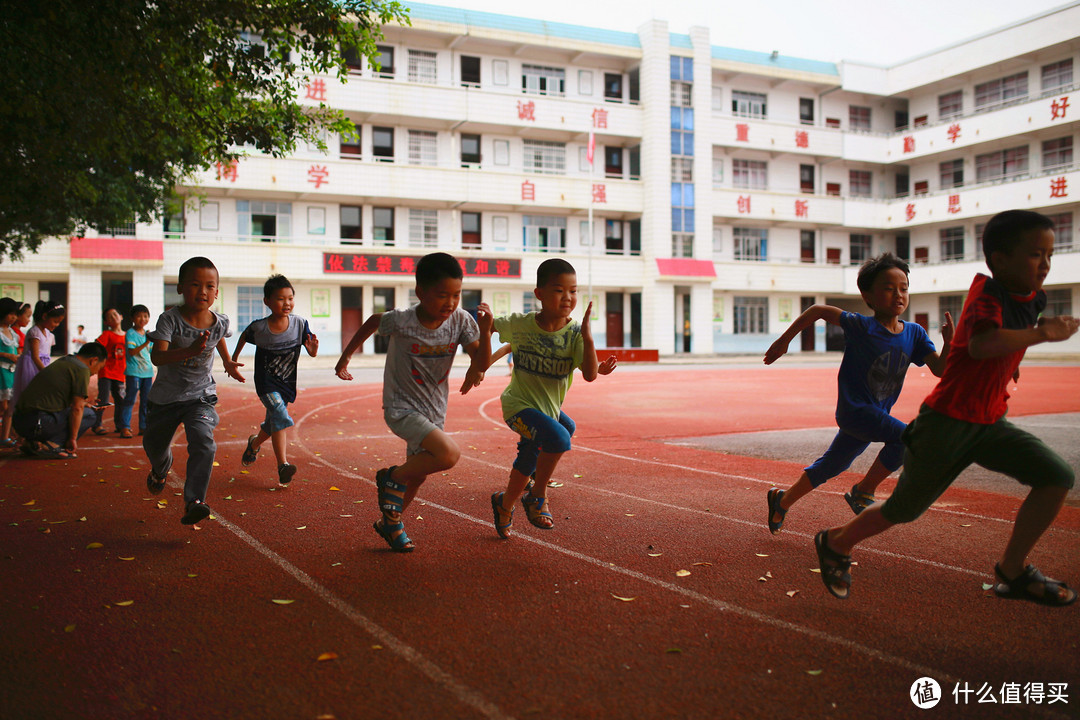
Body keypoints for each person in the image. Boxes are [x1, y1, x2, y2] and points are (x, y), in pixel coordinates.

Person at [814, 210, 1078, 606]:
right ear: (1000, 259)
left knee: (1056, 476)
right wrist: (1042, 334)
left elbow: (989, 348)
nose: (1045, 264)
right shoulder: (985, 293)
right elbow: (980, 345)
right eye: (1035, 254)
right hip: (947, 425)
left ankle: (1012, 568)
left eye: (1049, 255)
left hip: (990, 421)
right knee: (904, 509)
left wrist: (1015, 360)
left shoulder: (1033, 298)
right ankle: (835, 541)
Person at [763, 253, 953, 534]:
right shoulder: (862, 326)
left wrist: (948, 344)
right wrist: (783, 341)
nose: (898, 295)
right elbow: (817, 310)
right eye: (889, 288)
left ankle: (782, 500)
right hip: (856, 411)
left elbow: (939, 369)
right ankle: (863, 491)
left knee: (832, 465)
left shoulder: (914, 333)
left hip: (875, 414)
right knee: (908, 439)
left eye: (904, 288)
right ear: (868, 296)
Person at [335, 252, 491, 552]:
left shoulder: (460, 322)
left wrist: (484, 332)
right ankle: (390, 477)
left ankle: (390, 523)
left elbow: (481, 361)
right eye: (442, 295)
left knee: (418, 475)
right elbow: (374, 321)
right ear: (420, 292)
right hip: (400, 406)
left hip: (434, 409)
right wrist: (346, 355)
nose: (450, 303)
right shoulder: (402, 320)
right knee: (448, 454)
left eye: (457, 295)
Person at [487, 258, 617, 539]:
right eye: (559, 290)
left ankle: (505, 503)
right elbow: (487, 328)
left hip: (546, 408)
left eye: (573, 291)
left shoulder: (575, 335)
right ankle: (537, 495)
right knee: (558, 438)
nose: (568, 297)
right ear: (539, 294)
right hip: (517, 405)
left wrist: (589, 339)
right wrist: (478, 364)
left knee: (557, 433)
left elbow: (591, 375)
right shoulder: (520, 325)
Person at [142, 257, 244, 525]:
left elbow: (217, 336)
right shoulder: (169, 320)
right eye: (195, 285)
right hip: (165, 399)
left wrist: (227, 361)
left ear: (217, 292)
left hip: (200, 397)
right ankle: (160, 469)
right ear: (180, 288)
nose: (203, 291)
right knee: (155, 447)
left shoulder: (219, 321)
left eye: (210, 286)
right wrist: (188, 351)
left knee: (203, 441)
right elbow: (158, 358)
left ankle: (194, 501)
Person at [232, 275, 318, 485]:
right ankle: (283, 465)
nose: (286, 303)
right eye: (280, 299)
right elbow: (244, 335)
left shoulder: (299, 324)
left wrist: (313, 351)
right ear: (267, 301)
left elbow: (311, 349)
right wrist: (232, 359)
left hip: (286, 383)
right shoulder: (260, 328)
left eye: (290, 298)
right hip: (266, 383)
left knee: (274, 422)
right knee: (280, 413)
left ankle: (254, 444)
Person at [12, 341, 108, 459]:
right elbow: (77, 408)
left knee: (83, 409)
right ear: (93, 360)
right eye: (99, 367)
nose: (96, 373)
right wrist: (72, 439)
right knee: (89, 415)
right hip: (37, 422)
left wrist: (83, 403)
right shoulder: (82, 369)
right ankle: (53, 445)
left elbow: (58, 397)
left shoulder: (65, 361)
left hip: (19, 421)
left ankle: (32, 443)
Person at [118, 305, 154, 438]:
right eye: (139, 316)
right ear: (132, 318)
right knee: (130, 399)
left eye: (145, 316)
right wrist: (147, 342)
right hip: (134, 372)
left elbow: (150, 351)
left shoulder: (148, 334)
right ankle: (125, 427)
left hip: (148, 372)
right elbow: (132, 352)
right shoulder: (130, 333)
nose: (143, 319)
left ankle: (143, 427)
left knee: (146, 401)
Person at [91, 308, 127, 435]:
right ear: (106, 322)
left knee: (121, 400)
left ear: (121, 316)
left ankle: (120, 424)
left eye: (115, 314)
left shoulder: (128, 335)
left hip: (120, 373)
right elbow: (97, 345)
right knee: (103, 398)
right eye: (109, 317)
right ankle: (97, 424)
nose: (113, 317)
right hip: (106, 372)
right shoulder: (107, 334)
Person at [0, 298, 21, 448]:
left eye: (15, 314)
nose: (13, 317)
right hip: (1, 372)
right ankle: (7, 435)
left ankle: (9, 435)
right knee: (6, 407)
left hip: (12, 372)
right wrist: (8, 356)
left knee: (10, 406)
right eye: (10, 314)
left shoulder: (12, 332)